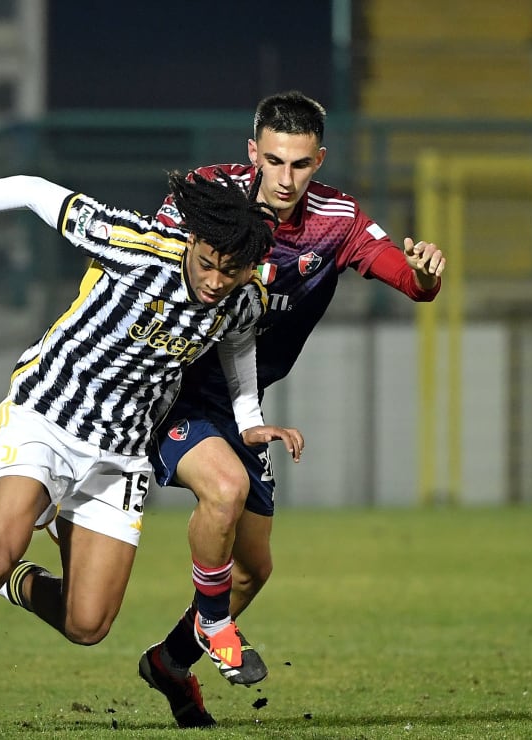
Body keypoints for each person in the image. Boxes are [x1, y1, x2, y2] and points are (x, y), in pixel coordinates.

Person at [0, 171, 305, 736]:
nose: (214, 280)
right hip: (47, 417)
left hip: (119, 455)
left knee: (88, 625)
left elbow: (239, 346)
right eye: (207, 262)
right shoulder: (133, 245)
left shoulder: (240, 302)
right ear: (192, 241)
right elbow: (30, 189)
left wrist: (250, 422)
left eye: (229, 272)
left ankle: (18, 585)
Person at [137, 90, 446, 728]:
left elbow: (408, 282)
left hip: (241, 402)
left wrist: (425, 275)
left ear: (319, 160)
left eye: (300, 165)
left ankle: (169, 663)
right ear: (254, 152)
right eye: (274, 161)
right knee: (218, 493)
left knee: (254, 569)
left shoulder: (338, 220)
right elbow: (150, 261)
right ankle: (8, 556)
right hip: (170, 387)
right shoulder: (208, 195)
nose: (285, 179)